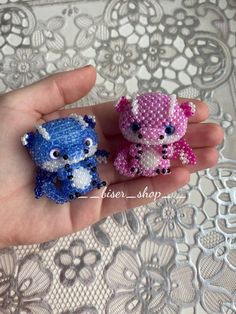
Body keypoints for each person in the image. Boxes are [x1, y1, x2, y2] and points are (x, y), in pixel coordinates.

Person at [0, 65, 224, 248]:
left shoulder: (163, 144)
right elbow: (98, 159)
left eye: (165, 132)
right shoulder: (52, 159)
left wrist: (182, 155)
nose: (150, 135)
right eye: (58, 154)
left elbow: (104, 156)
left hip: (149, 165)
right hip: (79, 183)